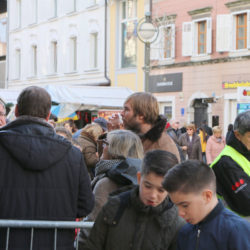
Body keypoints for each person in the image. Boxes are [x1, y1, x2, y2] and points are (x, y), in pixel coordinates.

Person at [0, 86, 94, 250]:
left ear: (16, 110)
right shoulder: (72, 155)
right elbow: (85, 205)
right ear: (48, 115)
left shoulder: (72, 154)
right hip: (56, 242)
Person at [83, 150, 185, 250]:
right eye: (148, 186)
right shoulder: (114, 207)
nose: (153, 195)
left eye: (161, 190)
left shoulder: (176, 223)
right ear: (139, 178)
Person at [162, 160, 250, 250]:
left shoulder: (237, 230)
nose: (180, 213)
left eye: (185, 205)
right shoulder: (184, 232)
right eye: (176, 206)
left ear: (207, 196)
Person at [78, 130, 143, 247]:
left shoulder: (106, 183)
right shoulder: (143, 178)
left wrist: (79, 244)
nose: (102, 147)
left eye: (105, 144)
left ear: (115, 151)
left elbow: (92, 225)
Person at [210, 110, 250, 217]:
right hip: (237, 227)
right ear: (237, 134)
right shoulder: (225, 163)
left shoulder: (246, 150)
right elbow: (246, 204)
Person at [121, 92, 181, 162]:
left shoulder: (162, 146)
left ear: (141, 115)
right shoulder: (137, 137)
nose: (122, 113)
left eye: (127, 109)